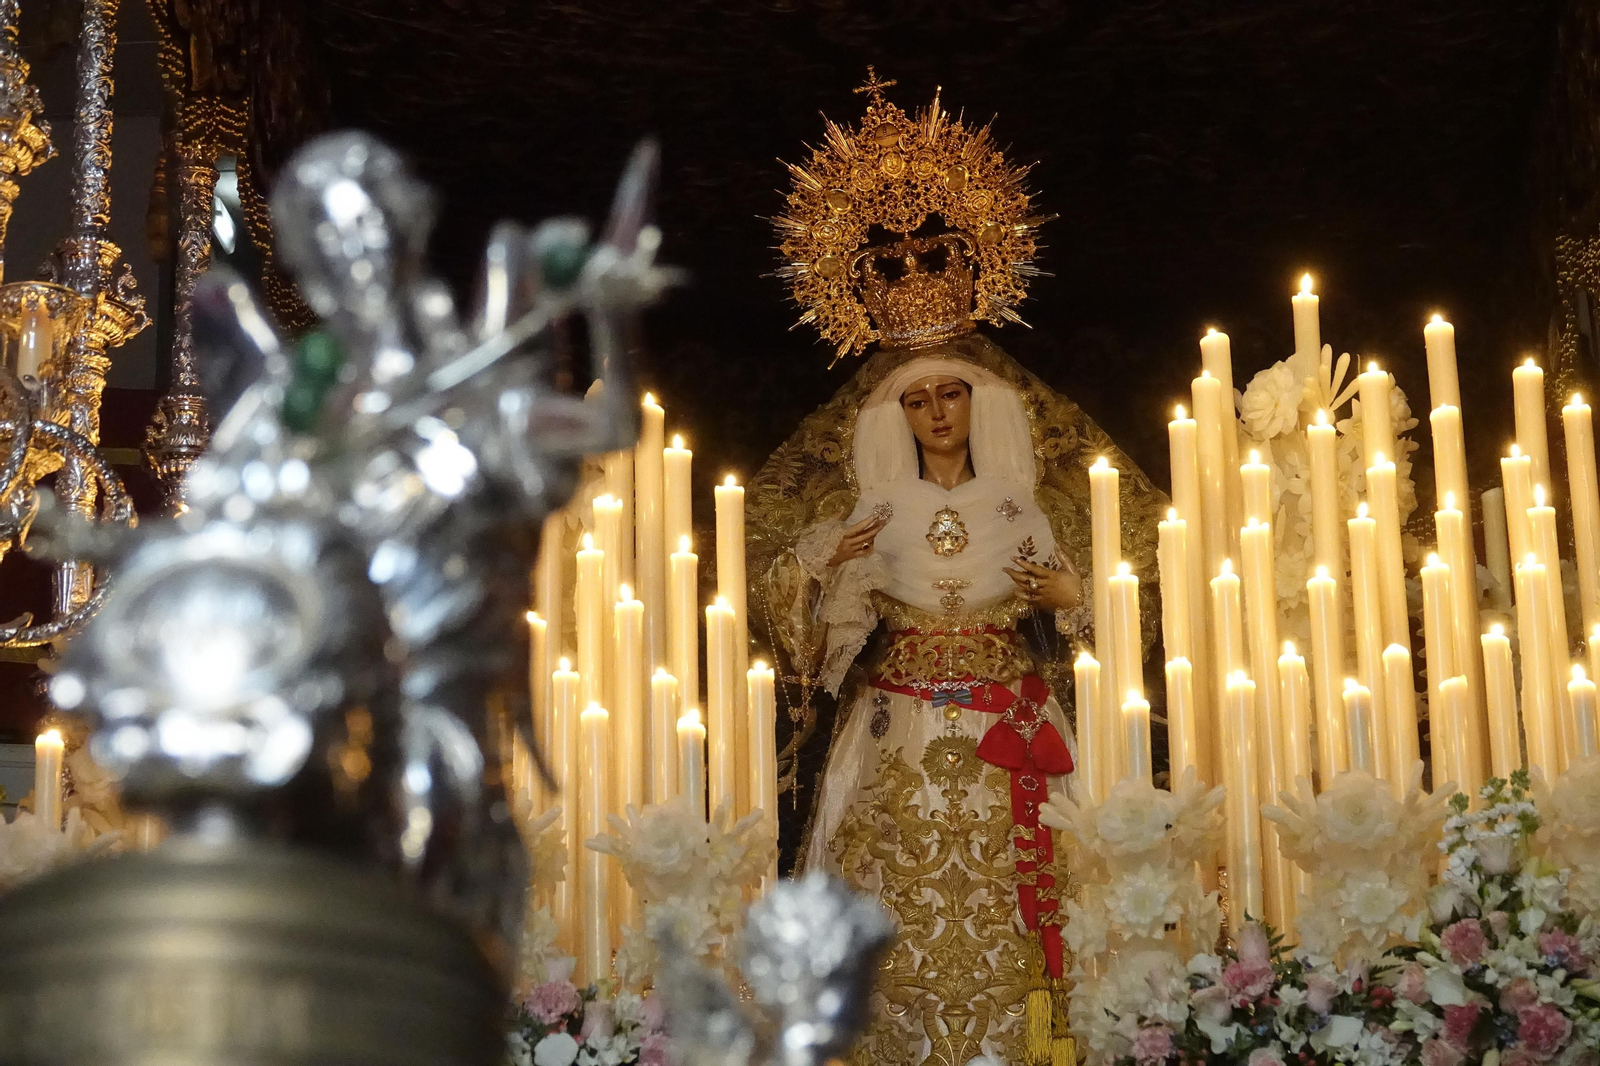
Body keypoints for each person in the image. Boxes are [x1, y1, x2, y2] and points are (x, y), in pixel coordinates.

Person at [747, 75, 1165, 1066]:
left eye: (952, 394)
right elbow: (799, 649)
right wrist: (817, 571)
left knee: (1033, 900)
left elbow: (1109, 604)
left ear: (981, 405)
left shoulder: (1022, 508)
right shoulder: (862, 515)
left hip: (1007, 720)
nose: (937, 411)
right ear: (895, 416)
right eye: (918, 399)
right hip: (890, 723)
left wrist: (1077, 603)